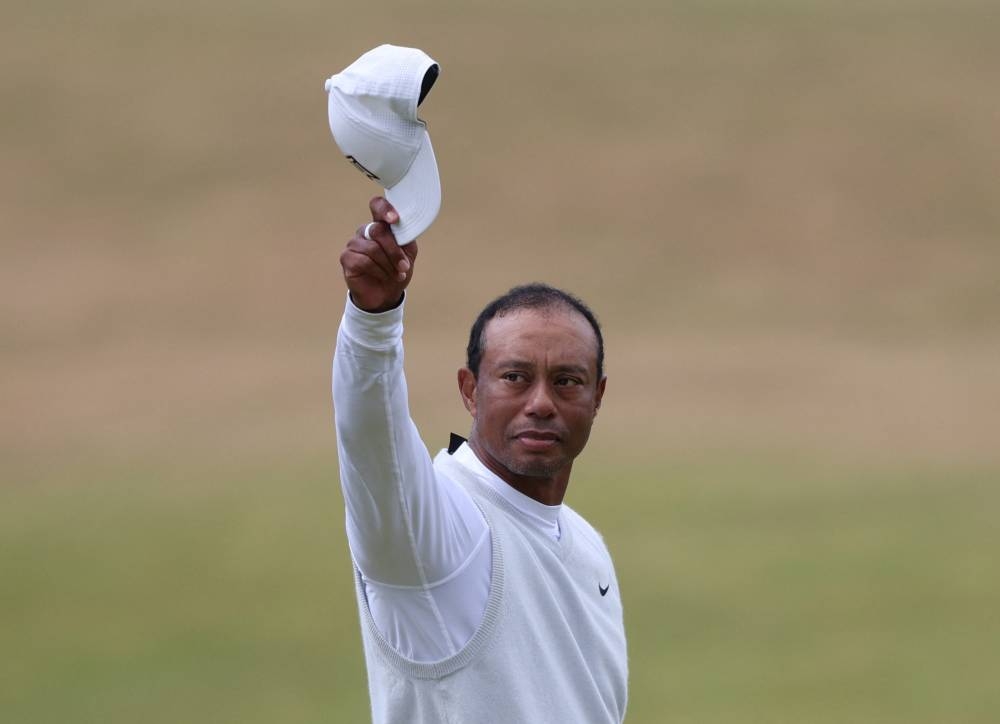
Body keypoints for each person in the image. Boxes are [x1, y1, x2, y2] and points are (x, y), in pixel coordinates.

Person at [332, 197, 628, 723]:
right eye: (515, 377)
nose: (541, 402)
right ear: (470, 390)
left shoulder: (586, 548)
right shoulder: (436, 535)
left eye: (567, 381)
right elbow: (373, 444)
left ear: (598, 396)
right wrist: (374, 319)